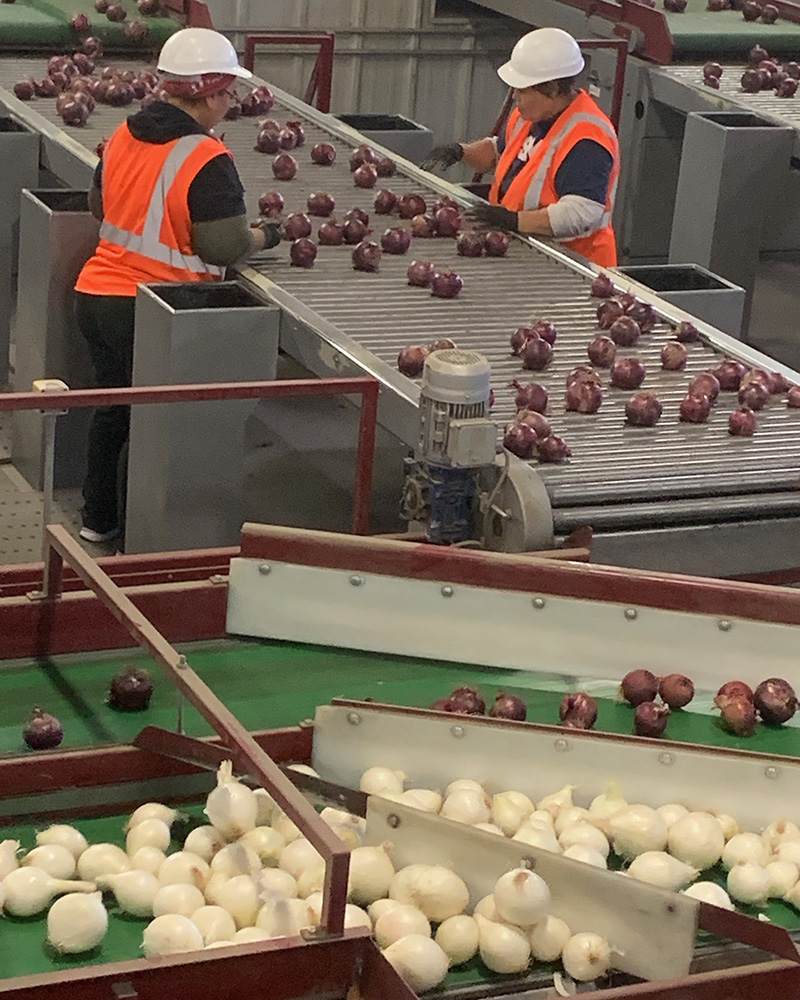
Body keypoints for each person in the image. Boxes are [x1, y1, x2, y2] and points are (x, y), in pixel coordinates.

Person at [74, 27, 280, 544]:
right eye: (228, 92)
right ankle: (137, 540)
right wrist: (266, 234)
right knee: (151, 427)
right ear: (207, 94)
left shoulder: (124, 134)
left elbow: (99, 207)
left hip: (96, 292)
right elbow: (222, 246)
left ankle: (98, 522)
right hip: (150, 308)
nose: (230, 102)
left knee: (115, 410)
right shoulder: (205, 158)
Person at [421, 27, 620, 268]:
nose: (515, 96)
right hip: (527, 253)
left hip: (573, 268)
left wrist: (515, 220)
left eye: (523, 89)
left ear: (553, 89)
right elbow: (500, 153)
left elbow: (581, 213)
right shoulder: (528, 116)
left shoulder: (587, 139)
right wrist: (461, 151)